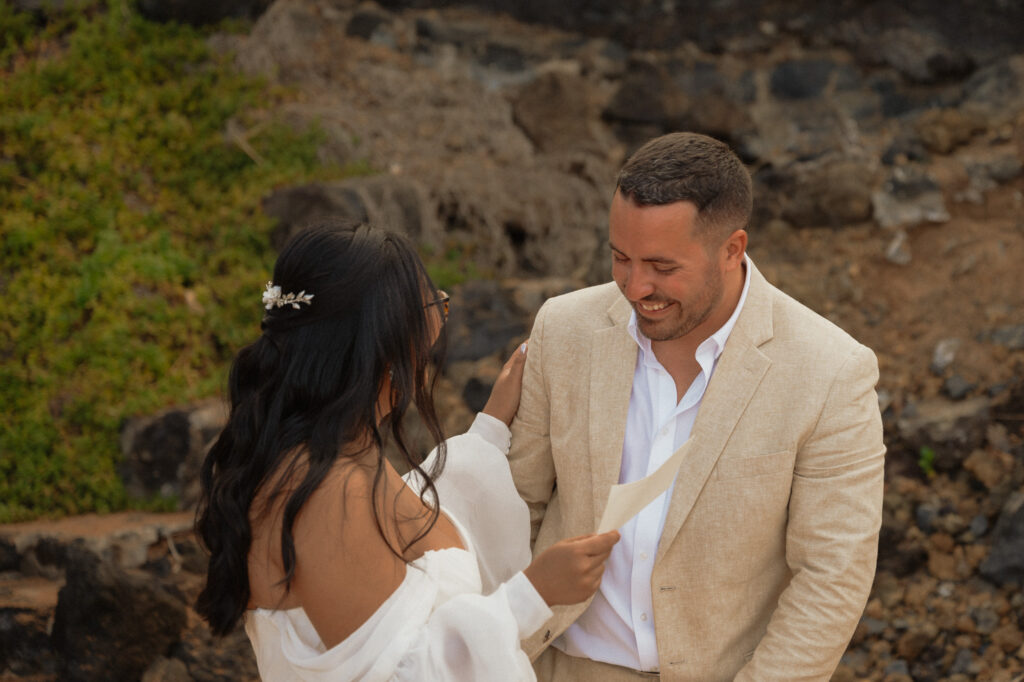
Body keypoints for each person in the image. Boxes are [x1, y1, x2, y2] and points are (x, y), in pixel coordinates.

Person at [508, 132, 885, 681]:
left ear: (732, 249)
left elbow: (832, 575)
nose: (636, 287)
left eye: (663, 266)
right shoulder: (563, 330)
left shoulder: (831, 371)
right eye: (620, 257)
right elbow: (517, 508)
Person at [194, 220, 620, 681]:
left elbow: (405, 551)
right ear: (379, 341)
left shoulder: (334, 454)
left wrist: (491, 431)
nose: (435, 332)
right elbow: (400, 674)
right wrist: (532, 596)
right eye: (433, 307)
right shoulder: (325, 491)